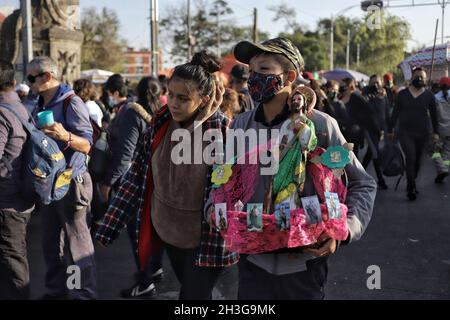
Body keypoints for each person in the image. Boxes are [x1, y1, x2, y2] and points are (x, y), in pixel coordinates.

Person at [220, 37, 376, 300]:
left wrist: (345, 229)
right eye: (251, 71)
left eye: (264, 70)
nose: (254, 77)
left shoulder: (321, 126)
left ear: (289, 75)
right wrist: (217, 211)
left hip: (304, 265)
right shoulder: (241, 125)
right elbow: (223, 181)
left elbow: (362, 183)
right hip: (252, 262)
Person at [95, 51, 238, 299]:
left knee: (192, 297)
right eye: (170, 94)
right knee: (191, 291)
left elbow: (237, 187)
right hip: (171, 234)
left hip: (210, 239)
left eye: (183, 98)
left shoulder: (222, 130)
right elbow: (137, 177)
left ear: (203, 99)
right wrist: (108, 226)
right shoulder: (159, 124)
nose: (173, 103)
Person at [27, 56, 96, 299]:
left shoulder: (71, 102)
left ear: (46, 76)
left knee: (76, 246)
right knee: (50, 243)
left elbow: (88, 145)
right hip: (48, 184)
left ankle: (80, 294)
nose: (28, 84)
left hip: (71, 182)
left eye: (30, 78)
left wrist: (65, 135)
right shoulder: (38, 104)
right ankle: (56, 291)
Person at [99, 74, 163, 299]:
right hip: (158, 179)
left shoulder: (131, 113)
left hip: (135, 181)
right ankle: (155, 268)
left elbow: (125, 155)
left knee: (138, 233)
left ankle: (145, 282)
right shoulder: (162, 112)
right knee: (154, 227)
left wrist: (108, 183)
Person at [0, 59, 35, 299]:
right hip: (21, 196)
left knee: (11, 262)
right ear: (13, 82)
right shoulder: (19, 107)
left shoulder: (2, 112)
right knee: (14, 257)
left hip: (6, 200)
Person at [389, 67, 439, 200]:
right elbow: (395, 113)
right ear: (412, 77)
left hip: (423, 133)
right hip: (406, 132)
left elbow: (434, 116)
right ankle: (410, 187)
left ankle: (412, 179)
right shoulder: (403, 94)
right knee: (410, 158)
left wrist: (436, 132)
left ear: (426, 79)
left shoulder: (429, 96)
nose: (420, 79)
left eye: (422, 77)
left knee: (418, 162)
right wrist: (390, 129)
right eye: (417, 76)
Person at [362, 74, 389, 189]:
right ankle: (381, 179)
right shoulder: (367, 95)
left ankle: (358, 173)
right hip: (369, 129)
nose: (376, 85)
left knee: (370, 154)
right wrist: (368, 95)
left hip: (380, 130)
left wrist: (388, 129)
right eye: (373, 83)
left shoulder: (384, 95)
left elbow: (386, 112)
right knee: (375, 152)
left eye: (378, 82)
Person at [340, 77, 374, 157]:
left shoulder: (356, 96)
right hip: (343, 131)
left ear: (349, 86)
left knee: (352, 156)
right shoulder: (340, 97)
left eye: (345, 85)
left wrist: (360, 121)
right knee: (343, 155)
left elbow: (369, 109)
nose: (343, 88)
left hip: (354, 132)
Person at [433, 76, 450, 184]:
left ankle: (442, 169)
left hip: (440, 130)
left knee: (434, 151)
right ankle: (444, 170)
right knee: (447, 152)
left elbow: (433, 116)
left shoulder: (435, 97)